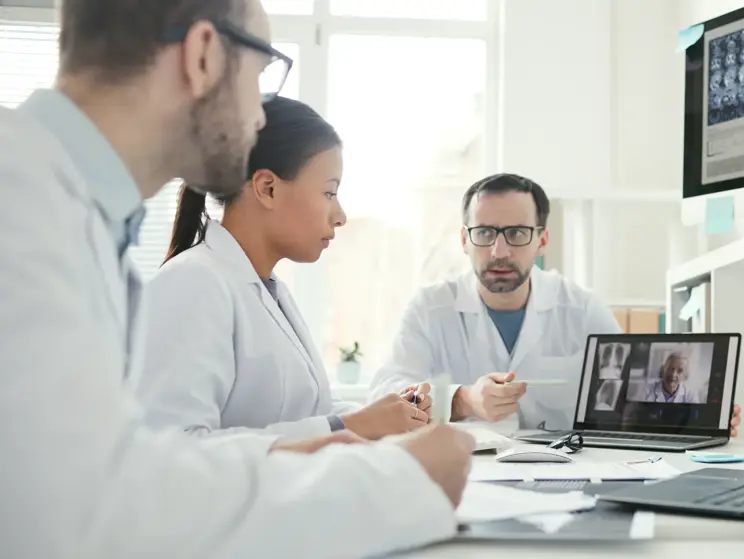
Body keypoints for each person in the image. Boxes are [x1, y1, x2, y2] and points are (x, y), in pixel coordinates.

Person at [0, 1, 472, 557]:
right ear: (203, 55)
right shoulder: (24, 215)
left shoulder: (66, 210)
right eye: (261, 72)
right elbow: (79, 516)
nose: (258, 118)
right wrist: (400, 481)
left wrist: (296, 455)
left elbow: (126, 464)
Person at [135, 96, 433, 442]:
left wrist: (383, 413)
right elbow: (173, 448)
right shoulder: (192, 283)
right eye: (328, 192)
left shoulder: (268, 290)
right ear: (267, 188)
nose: (340, 216)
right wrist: (349, 427)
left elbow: (309, 413)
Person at [368, 173, 743, 434]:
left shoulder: (581, 308)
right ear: (465, 240)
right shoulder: (430, 308)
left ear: (542, 240)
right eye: (484, 233)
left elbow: (632, 397)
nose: (499, 250)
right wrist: (461, 400)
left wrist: (692, 419)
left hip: (565, 475)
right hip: (462, 474)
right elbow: (386, 392)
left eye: (516, 233)